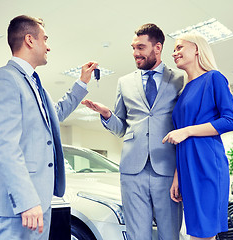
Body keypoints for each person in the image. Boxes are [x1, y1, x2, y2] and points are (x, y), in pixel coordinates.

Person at [0, 15, 97, 240]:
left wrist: (82, 83)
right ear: (29, 40)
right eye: (44, 39)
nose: (48, 46)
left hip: (40, 198)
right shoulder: (4, 79)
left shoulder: (37, 87)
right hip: (23, 203)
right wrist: (26, 199)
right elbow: (5, 145)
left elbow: (56, 114)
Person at [82, 23, 184, 240]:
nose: (135, 53)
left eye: (140, 47)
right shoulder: (124, 82)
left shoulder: (179, 79)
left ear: (157, 48)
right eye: (133, 47)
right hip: (132, 171)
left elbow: (185, 122)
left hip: (167, 170)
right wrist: (108, 115)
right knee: (137, 235)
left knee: (170, 235)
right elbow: (121, 128)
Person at [162, 33, 233, 240]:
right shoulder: (185, 90)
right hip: (187, 168)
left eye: (179, 47)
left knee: (204, 233)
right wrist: (177, 175)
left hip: (207, 165)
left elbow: (231, 121)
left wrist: (187, 131)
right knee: (196, 233)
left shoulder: (214, 78)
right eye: (174, 49)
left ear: (197, 49)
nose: (174, 52)